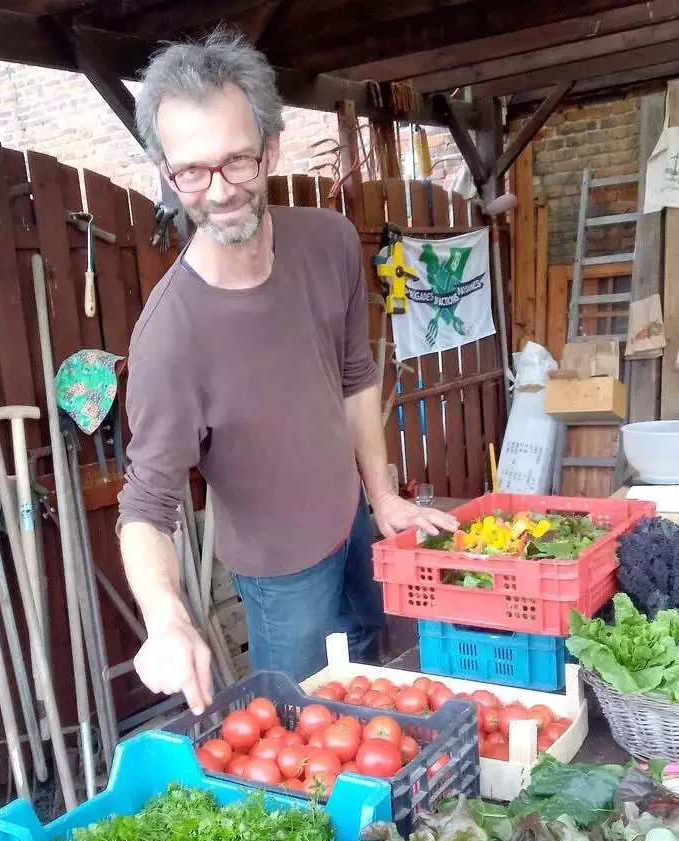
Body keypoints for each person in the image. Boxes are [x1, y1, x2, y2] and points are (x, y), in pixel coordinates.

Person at [116, 28, 459, 716]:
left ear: (271, 147)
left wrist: (382, 497)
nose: (219, 192)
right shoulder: (169, 340)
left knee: (374, 669)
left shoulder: (328, 243)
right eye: (191, 171)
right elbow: (145, 508)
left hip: (353, 520)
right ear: (166, 173)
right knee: (308, 724)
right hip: (277, 572)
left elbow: (355, 374)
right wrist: (167, 617)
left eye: (237, 161)